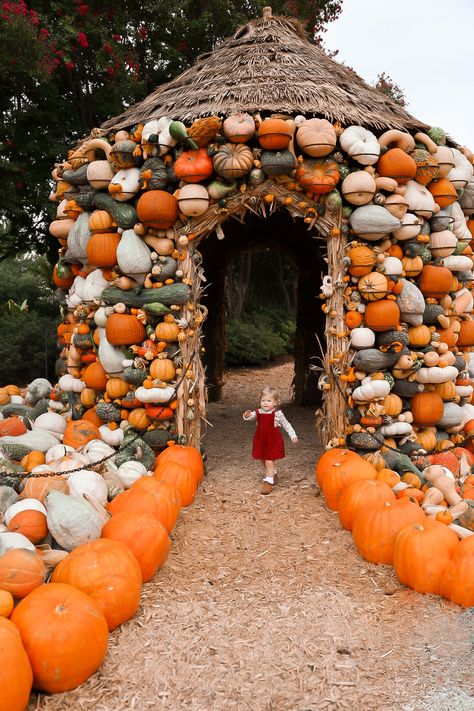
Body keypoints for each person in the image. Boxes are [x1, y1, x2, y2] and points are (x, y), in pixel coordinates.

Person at [243, 385, 298, 495]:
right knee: (262, 458)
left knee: (269, 461)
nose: (265, 403)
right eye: (263, 400)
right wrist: (247, 415)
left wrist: (293, 435)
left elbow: (286, 424)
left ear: (275, 402)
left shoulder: (278, 414)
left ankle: (268, 482)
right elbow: (250, 417)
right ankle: (273, 473)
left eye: (269, 400)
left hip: (273, 440)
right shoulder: (258, 412)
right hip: (261, 439)